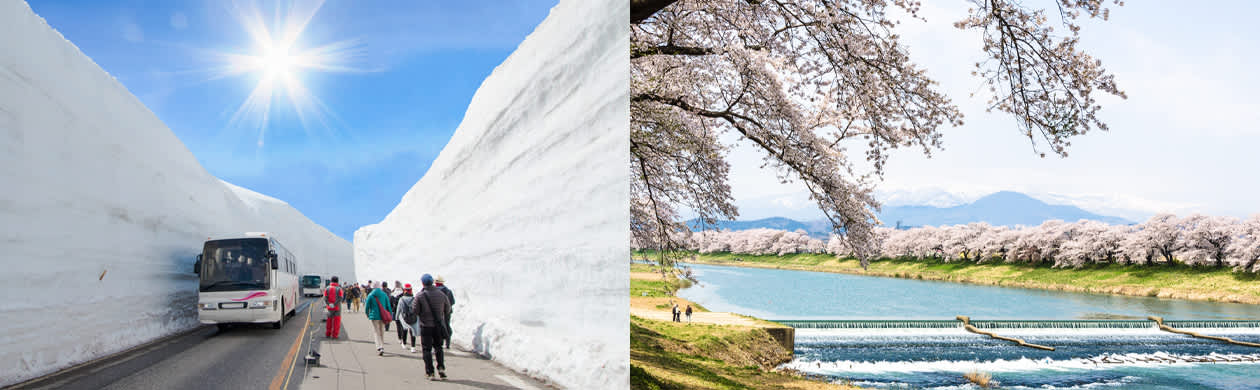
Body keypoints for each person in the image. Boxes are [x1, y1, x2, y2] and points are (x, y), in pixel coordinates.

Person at [411, 274, 451, 380]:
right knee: (438, 347)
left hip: (426, 326)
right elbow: (448, 309)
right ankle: (441, 367)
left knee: (427, 349)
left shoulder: (419, 295)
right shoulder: (442, 294)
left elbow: (415, 310)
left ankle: (430, 372)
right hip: (438, 325)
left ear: (423, 283)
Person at [364, 281, 393, 356]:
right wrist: (390, 314)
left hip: (374, 316)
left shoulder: (371, 295)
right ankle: (382, 346)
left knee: (376, 331)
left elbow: (367, 307)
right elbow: (388, 306)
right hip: (383, 316)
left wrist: (367, 314)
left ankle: (379, 347)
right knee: (382, 331)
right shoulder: (384, 294)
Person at [394, 284, 418, 353]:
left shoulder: (401, 299)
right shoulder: (414, 299)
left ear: (405, 291)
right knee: (413, 331)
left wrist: (396, 318)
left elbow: (398, 309)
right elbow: (417, 309)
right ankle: (413, 347)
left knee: (404, 330)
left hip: (404, 317)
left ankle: (404, 344)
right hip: (413, 317)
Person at [435, 276, 455, 349]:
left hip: (438, 312)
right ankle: (447, 342)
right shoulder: (448, 291)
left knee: (438, 326)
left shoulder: (434, 291)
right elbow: (452, 302)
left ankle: (440, 341)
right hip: (447, 311)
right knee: (447, 325)